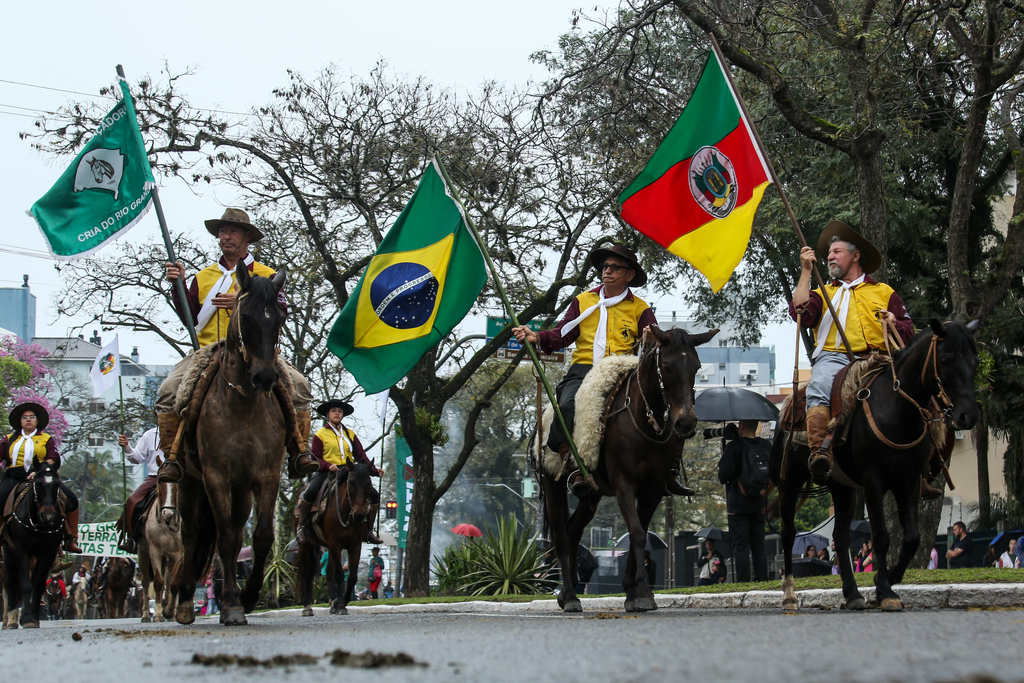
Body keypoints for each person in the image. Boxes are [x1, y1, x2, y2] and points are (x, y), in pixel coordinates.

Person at [512, 244, 690, 497]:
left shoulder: (640, 308)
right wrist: (537, 337)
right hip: (583, 369)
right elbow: (561, 335)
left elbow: (653, 345)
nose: (607, 271)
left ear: (629, 275)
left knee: (668, 406)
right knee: (565, 408)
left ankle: (669, 471)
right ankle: (570, 463)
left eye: (614, 267)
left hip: (623, 370)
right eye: (605, 266)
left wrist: (649, 338)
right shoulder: (583, 301)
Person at [157, 208, 314, 481]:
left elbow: (281, 314)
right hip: (207, 350)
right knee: (168, 390)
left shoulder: (267, 275)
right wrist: (178, 285)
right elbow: (190, 317)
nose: (226, 237)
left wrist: (241, 304)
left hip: (256, 350)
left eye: (233, 232)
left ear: (246, 238)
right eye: (222, 232)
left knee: (300, 387)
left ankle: (299, 452)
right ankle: (172, 457)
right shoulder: (203, 276)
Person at [789, 221, 916, 488]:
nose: (830, 257)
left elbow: (908, 330)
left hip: (880, 360)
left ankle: (924, 465)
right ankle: (819, 453)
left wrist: (893, 320)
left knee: (915, 392)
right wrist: (805, 272)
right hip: (833, 360)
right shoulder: (824, 293)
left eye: (836, 251)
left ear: (855, 255)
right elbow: (799, 311)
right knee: (818, 386)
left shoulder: (884, 292)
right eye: (828, 254)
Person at [295, 399, 382, 545]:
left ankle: (368, 531)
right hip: (327, 471)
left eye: (339, 411)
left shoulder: (350, 434)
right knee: (311, 491)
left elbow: (362, 457)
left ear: (343, 415)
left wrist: (374, 470)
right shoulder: (320, 434)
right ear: (328, 414)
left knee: (373, 495)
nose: (337, 413)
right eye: (334, 410)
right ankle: (301, 526)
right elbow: (315, 457)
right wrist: (327, 465)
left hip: (349, 471)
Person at [0, 402, 82, 552]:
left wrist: (40, 470)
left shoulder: (45, 438)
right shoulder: (9, 439)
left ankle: (71, 539)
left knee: (71, 499)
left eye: (32, 417)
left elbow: (53, 458)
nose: (28, 420)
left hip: (40, 477)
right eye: (25, 417)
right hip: (13, 476)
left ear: (37, 420)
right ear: (20, 421)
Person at [717, 419, 769, 582]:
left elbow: (722, 476)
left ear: (744, 425)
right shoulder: (766, 446)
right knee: (759, 546)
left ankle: (743, 581)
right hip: (759, 503)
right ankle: (762, 579)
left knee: (741, 546)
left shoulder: (735, 446)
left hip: (738, 506)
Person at [114, 420, 164, 553]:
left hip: (179, 478)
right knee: (132, 501)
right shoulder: (149, 435)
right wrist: (127, 447)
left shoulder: (183, 432)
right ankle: (131, 538)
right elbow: (137, 458)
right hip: (155, 477)